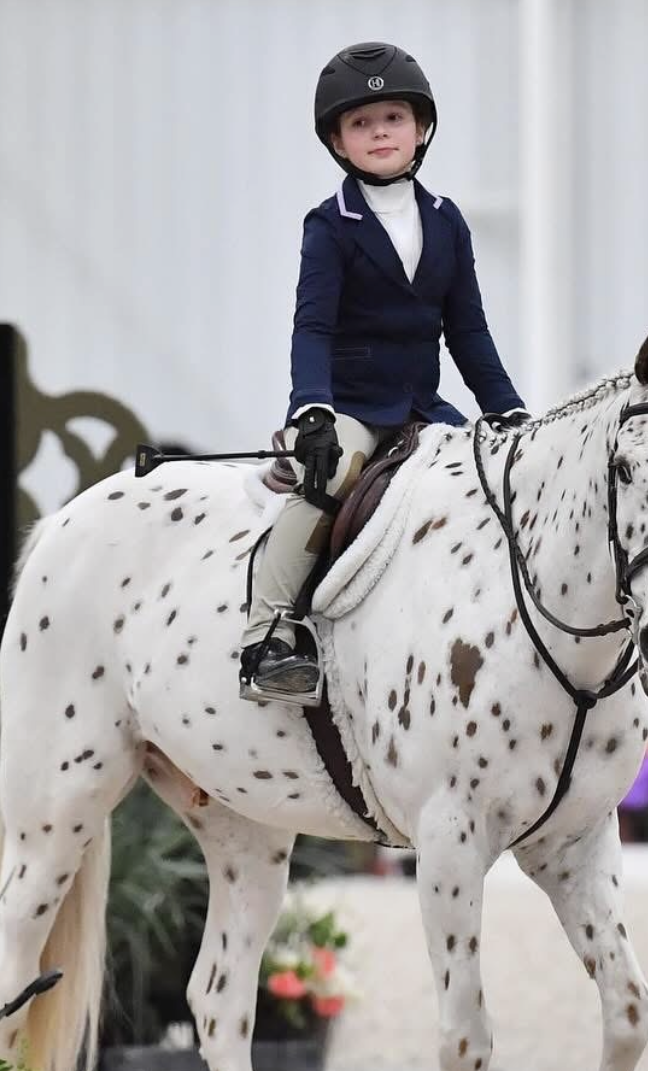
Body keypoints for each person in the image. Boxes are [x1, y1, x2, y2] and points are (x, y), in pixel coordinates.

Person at [239, 41, 529, 703]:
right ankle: (270, 636)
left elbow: (468, 331)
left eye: (392, 118)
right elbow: (311, 327)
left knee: (495, 476)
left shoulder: (447, 221)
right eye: (361, 124)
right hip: (353, 406)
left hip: (424, 405)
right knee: (330, 476)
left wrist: (505, 408)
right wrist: (311, 409)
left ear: (420, 129)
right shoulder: (329, 226)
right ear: (338, 143)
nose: (378, 133)